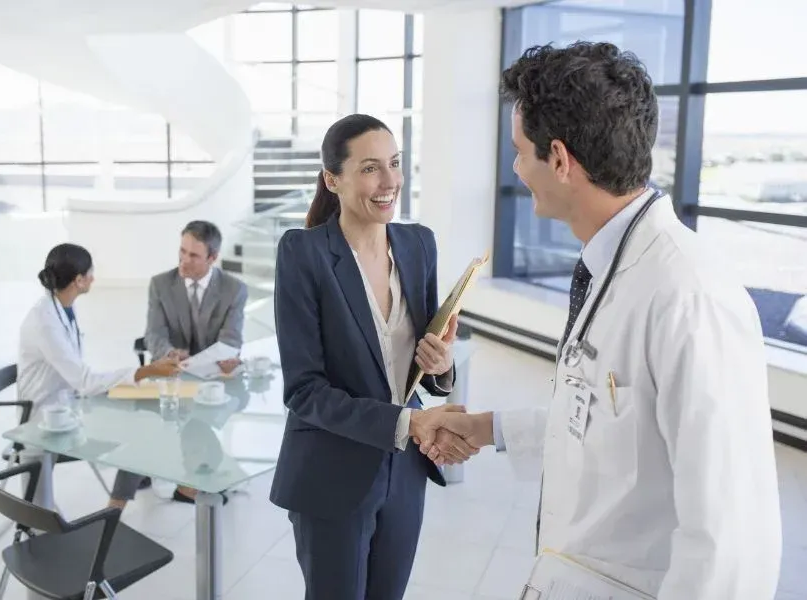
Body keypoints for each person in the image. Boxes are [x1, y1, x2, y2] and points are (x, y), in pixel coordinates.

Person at [417, 42, 782, 599]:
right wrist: (488, 428)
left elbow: (731, 542)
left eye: (520, 151)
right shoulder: (611, 264)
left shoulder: (688, 294)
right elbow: (610, 424)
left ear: (559, 159)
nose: (516, 168)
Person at [271, 113, 478, 600]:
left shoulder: (418, 244)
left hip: (404, 471)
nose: (390, 182)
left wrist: (442, 366)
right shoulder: (304, 253)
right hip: (331, 470)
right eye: (369, 168)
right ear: (332, 179)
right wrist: (408, 424)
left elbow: (424, 369)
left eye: (395, 163)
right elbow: (304, 391)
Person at [17, 243, 180, 509]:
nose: (94, 277)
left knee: (143, 424)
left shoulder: (64, 307)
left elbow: (79, 378)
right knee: (36, 515)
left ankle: (114, 508)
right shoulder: (44, 321)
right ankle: (111, 513)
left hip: (70, 404)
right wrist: (148, 370)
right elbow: (84, 380)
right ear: (79, 280)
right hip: (43, 419)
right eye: (90, 272)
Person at [108, 220, 248, 507]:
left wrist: (221, 361)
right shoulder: (161, 284)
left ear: (213, 258)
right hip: (170, 377)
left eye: (193, 255)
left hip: (212, 380)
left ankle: (199, 480)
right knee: (142, 432)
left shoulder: (234, 289)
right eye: (182, 251)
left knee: (215, 414)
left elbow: (231, 339)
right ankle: (119, 504)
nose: (184, 260)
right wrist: (169, 352)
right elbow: (154, 334)